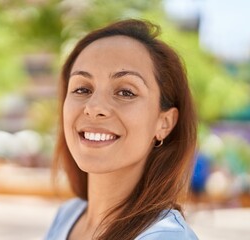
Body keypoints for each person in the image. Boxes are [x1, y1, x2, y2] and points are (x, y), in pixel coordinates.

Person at [45, 18, 198, 240]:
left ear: (164, 123)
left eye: (126, 92)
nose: (94, 107)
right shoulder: (68, 215)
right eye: (82, 89)